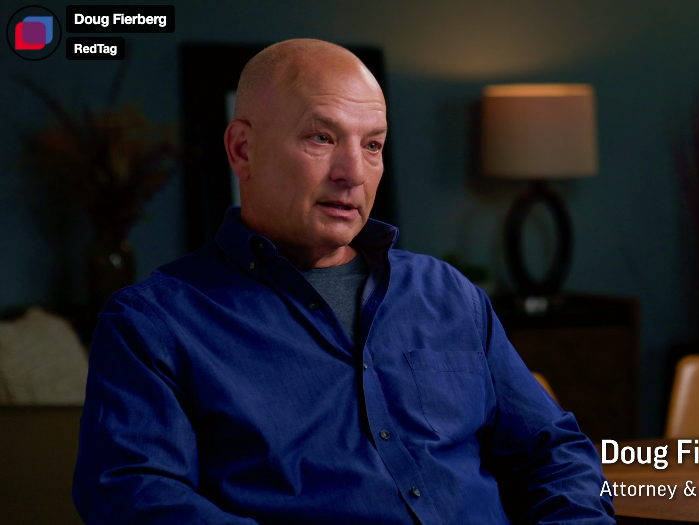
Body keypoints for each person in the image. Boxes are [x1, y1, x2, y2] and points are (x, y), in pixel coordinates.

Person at [73, 39, 615, 524]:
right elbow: (137, 499)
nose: (352, 171)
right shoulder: (153, 325)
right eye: (321, 137)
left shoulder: (449, 295)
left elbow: (555, 453)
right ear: (242, 149)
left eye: (373, 145)